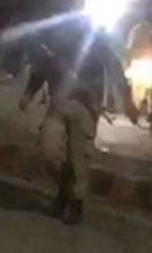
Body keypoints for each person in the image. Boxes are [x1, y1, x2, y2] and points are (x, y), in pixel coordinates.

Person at [18, 23, 139, 225]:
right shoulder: (57, 39)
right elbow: (44, 67)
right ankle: (66, 189)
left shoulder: (95, 42)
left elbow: (113, 67)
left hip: (85, 107)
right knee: (49, 153)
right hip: (58, 103)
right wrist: (29, 93)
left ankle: (75, 201)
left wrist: (127, 102)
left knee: (78, 159)